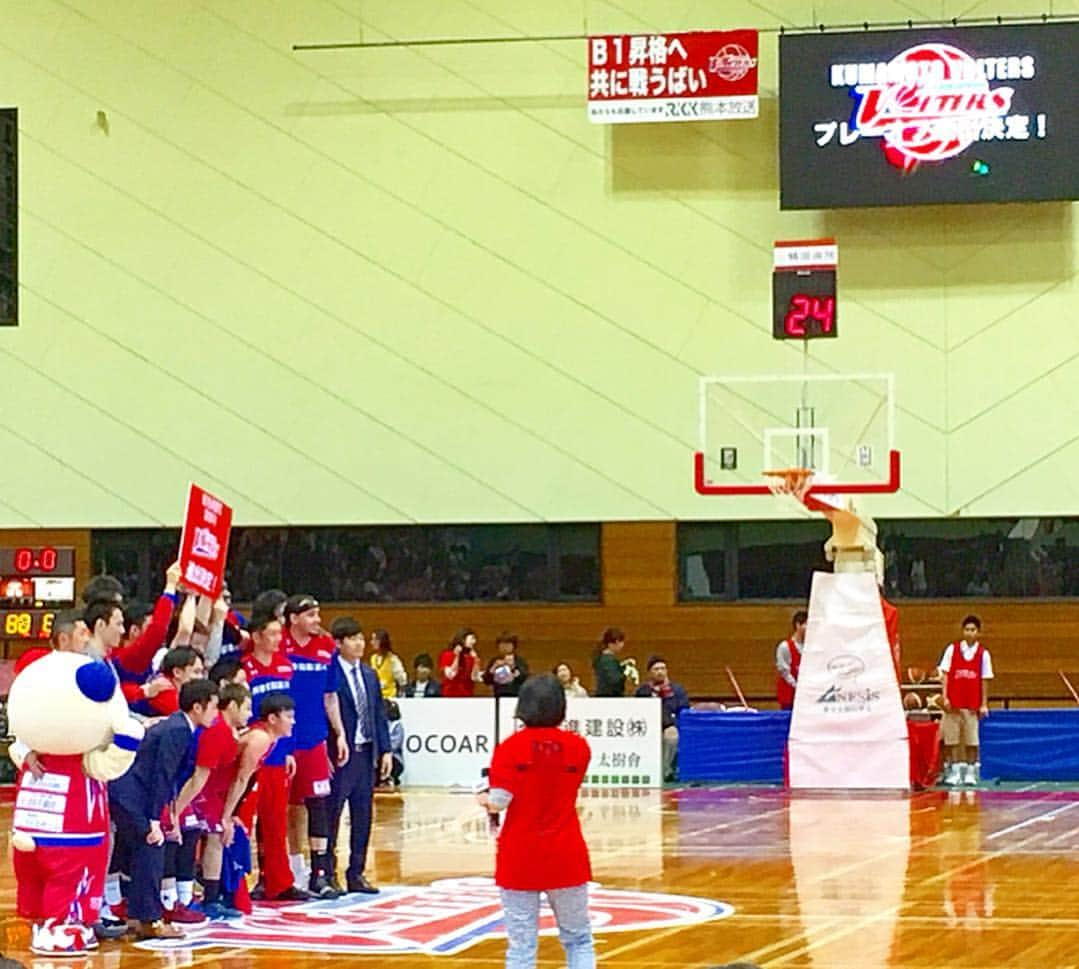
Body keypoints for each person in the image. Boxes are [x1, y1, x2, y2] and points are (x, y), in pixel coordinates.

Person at [478, 674, 594, 969]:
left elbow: (499, 801)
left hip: (520, 855)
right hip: (566, 852)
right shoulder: (579, 748)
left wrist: (482, 798)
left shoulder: (510, 748)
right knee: (578, 939)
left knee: (521, 945)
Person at [107, 679, 219, 941]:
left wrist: (166, 816)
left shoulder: (178, 726)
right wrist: (154, 820)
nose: (216, 713)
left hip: (129, 792)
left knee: (143, 850)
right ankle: (150, 920)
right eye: (213, 707)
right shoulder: (178, 730)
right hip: (131, 794)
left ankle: (138, 916)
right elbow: (162, 775)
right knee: (152, 847)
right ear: (197, 707)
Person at [280, 594, 347, 898]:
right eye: (311, 615)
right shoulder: (277, 643)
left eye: (318, 615)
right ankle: (289, 870)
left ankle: (320, 873)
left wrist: (340, 734)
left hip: (314, 738)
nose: (317, 621)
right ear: (293, 618)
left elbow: (329, 696)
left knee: (317, 804)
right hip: (282, 740)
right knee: (284, 807)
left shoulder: (327, 647)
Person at [171, 683, 252, 920]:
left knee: (213, 838)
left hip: (210, 794)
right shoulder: (217, 732)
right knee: (207, 838)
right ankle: (201, 898)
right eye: (246, 707)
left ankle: (209, 896)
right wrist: (177, 810)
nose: (250, 713)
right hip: (200, 793)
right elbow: (200, 775)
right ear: (233, 706)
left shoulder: (227, 731)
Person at [240, 613, 306, 902]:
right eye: (273, 634)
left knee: (276, 822)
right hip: (253, 754)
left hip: (278, 755)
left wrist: (288, 749)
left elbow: (287, 715)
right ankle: (237, 884)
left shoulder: (284, 666)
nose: (279, 639)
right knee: (245, 821)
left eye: (281, 634)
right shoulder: (245, 669)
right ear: (256, 636)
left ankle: (279, 882)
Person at [325, 617, 391, 894]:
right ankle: (327, 872)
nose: (360, 643)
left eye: (361, 638)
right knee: (332, 814)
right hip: (340, 753)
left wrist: (385, 749)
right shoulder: (330, 673)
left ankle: (357, 872)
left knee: (363, 815)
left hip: (366, 753)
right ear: (338, 643)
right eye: (353, 639)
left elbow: (378, 713)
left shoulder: (369, 674)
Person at [938, 615, 993, 786]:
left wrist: (983, 703)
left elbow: (985, 679)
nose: (969, 633)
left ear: (978, 632)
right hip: (953, 703)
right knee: (952, 740)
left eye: (973, 630)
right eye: (967, 629)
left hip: (972, 704)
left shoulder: (983, 654)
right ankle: (954, 771)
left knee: (972, 740)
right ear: (963, 631)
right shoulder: (952, 650)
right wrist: (945, 697)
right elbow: (945, 674)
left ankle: (970, 771)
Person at [634, 656, 690, 781]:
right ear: (649, 673)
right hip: (647, 727)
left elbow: (683, 710)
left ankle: (664, 772)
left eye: (663, 669)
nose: (660, 672)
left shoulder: (677, 690)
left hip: (669, 726)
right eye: (656, 669)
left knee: (671, 736)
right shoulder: (643, 691)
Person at [775, 610, 807, 711]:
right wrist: (798, 686)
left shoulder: (809, 648)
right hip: (789, 697)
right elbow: (784, 672)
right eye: (806, 625)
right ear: (798, 625)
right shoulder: (785, 647)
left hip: (805, 697)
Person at [439, 628, 483, 697]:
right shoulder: (447, 655)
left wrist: (476, 661)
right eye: (472, 639)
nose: (474, 641)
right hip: (450, 695)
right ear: (462, 639)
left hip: (467, 696)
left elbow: (474, 677)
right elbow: (450, 675)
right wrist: (457, 656)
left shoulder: (471, 657)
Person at [483, 632, 530, 698]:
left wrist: (513, 667)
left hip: (516, 696)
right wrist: (493, 667)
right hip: (499, 696)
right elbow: (486, 680)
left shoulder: (519, 661)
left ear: (514, 646)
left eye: (508, 644)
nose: (505, 647)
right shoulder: (494, 661)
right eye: (502, 644)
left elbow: (524, 677)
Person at [369, 629, 407, 698]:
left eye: (375, 640)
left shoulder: (393, 659)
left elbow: (402, 680)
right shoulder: (373, 658)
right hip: (376, 697)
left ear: (382, 641)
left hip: (390, 697)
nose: (372, 642)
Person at [592, 627, 627, 697]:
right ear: (617, 642)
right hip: (609, 698)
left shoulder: (602, 658)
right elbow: (614, 681)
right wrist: (625, 672)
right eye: (622, 642)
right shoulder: (607, 660)